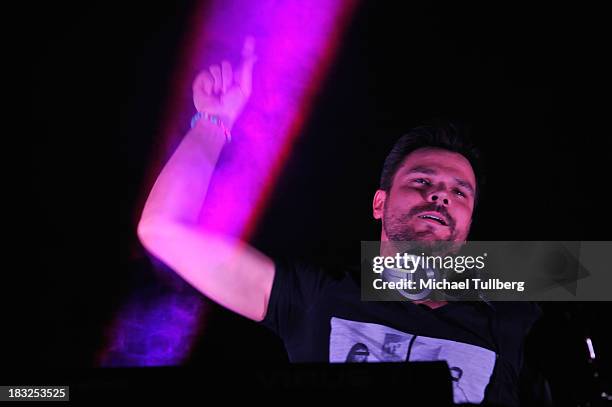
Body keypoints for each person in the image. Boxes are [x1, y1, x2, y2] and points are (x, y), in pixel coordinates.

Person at [138, 38, 542, 405]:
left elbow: (593, 274)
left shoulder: (507, 317)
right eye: (421, 181)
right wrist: (213, 121)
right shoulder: (317, 296)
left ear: (469, 222)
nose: (440, 195)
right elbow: (164, 230)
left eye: (460, 192)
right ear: (379, 203)